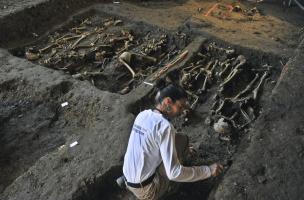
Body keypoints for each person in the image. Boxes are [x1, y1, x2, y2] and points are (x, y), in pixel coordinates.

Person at [120, 81, 223, 200]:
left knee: (181, 139)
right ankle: (172, 189)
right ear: (168, 101)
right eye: (180, 106)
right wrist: (208, 170)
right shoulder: (164, 126)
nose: (181, 111)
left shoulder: (143, 115)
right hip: (148, 190)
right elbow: (174, 173)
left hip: (129, 178)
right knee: (176, 169)